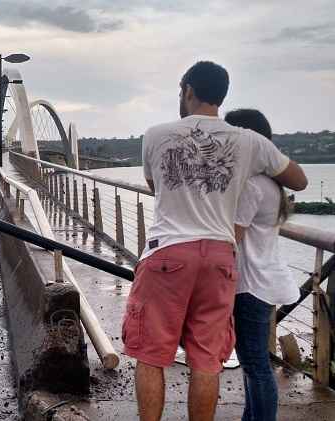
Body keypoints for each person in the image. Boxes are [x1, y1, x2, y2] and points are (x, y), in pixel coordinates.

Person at [123, 61, 308, 421]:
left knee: (151, 354)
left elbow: (156, 188)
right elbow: (298, 180)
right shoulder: (250, 140)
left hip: (168, 254)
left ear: (189, 90)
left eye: (181, 90)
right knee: (207, 359)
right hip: (220, 258)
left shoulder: (156, 134)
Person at [225, 109, 297, 421]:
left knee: (255, 364)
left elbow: (232, 239)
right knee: (253, 362)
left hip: (250, 285)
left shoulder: (252, 186)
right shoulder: (270, 183)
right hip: (264, 279)